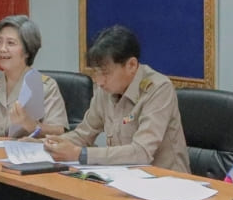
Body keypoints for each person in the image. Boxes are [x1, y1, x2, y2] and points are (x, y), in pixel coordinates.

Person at [45, 25, 189, 172]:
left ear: (131, 65)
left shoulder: (158, 89)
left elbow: (142, 152)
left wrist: (80, 154)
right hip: (123, 176)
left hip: (166, 180)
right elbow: (83, 135)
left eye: (105, 73)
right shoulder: (106, 90)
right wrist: (49, 144)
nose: (99, 81)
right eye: (96, 72)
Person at [0, 14, 67, 138]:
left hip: (26, 149)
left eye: (11, 43)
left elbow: (59, 132)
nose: (2, 49)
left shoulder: (44, 86)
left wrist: (31, 125)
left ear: (27, 51)